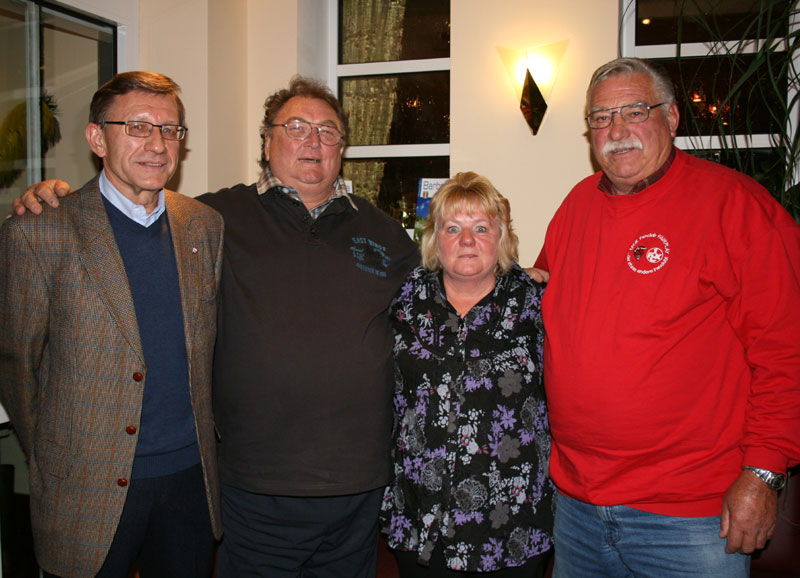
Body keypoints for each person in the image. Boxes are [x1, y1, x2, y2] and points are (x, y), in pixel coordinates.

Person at [16, 75, 421, 577]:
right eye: (296, 127)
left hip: (357, 482)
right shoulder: (215, 218)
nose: (314, 141)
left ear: (343, 148)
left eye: (328, 131)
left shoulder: (384, 231)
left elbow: (444, 299)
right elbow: (20, 364)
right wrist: (51, 195)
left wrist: (518, 276)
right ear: (267, 141)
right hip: (252, 485)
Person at [534, 57, 800, 577]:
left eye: (634, 111)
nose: (616, 131)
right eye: (601, 117)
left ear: (672, 118)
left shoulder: (736, 206)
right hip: (578, 506)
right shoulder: (576, 207)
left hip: (691, 515)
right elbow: (539, 296)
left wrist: (763, 474)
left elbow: (786, 352)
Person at [0, 71, 224, 578]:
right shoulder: (40, 230)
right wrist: (60, 455)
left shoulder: (203, 225)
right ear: (98, 138)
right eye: (138, 127)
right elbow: (17, 364)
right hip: (87, 486)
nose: (157, 144)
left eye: (170, 130)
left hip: (190, 481)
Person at [381, 172, 553, 578]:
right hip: (421, 517)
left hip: (512, 521)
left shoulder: (538, 303)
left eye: (481, 227)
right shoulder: (402, 300)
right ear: (434, 239)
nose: (467, 240)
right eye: (452, 228)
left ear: (502, 238)